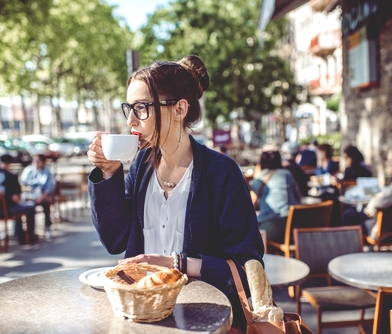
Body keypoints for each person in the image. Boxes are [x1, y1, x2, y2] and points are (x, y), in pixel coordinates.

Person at [86, 55, 263, 330]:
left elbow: (247, 269)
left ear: (180, 109)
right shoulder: (141, 169)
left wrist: (177, 263)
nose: (131, 120)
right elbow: (114, 240)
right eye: (129, 108)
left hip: (205, 321)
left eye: (142, 108)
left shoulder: (222, 173)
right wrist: (109, 173)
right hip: (144, 318)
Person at [250, 150, 301, 243]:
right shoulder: (287, 174)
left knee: (251, 233)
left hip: (273, 226)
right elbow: (298, 197)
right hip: (295, 224)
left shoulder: (257, 180)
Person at [0, 154, 37, 244]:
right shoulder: (11, 177)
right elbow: (15, 199)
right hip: (7, 210)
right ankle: (27, 235)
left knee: (19, 207)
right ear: (10, 163)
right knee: (29, 207)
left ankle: (19, 233)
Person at [20, 154, 56, 237]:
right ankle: (29, 231)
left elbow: (49, 187)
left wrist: (42, 197)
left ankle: (48, 227)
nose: (35, 163)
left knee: (46, 204)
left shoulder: (47, 171)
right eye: (34, 161)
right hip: (28, 196)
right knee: (28, 207)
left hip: (42, 196)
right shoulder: (28, 170)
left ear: (43, 162)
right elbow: (22, 183)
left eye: (38, 161)